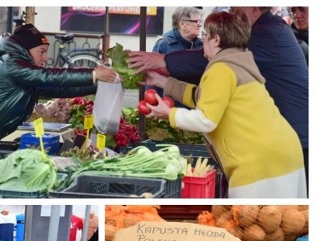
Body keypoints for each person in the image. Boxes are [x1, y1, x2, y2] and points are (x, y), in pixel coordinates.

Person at [127, 7, 308, 183]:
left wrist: (168, 113)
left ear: (216, 40)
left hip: (264, 162)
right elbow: (204, 96)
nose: (201, 40)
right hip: (284, 151)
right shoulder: (238, 60)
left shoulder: (225, 66)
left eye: (205, 35)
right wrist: (161, 81)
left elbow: (205, 120)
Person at [0, 23, 119, 172]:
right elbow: (48, 76)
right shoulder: (11, 63)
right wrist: (93, 73)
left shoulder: (26, 77)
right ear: (26, 50)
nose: (45, 58)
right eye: (41, 52)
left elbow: (58, 87)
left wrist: (99, 85)